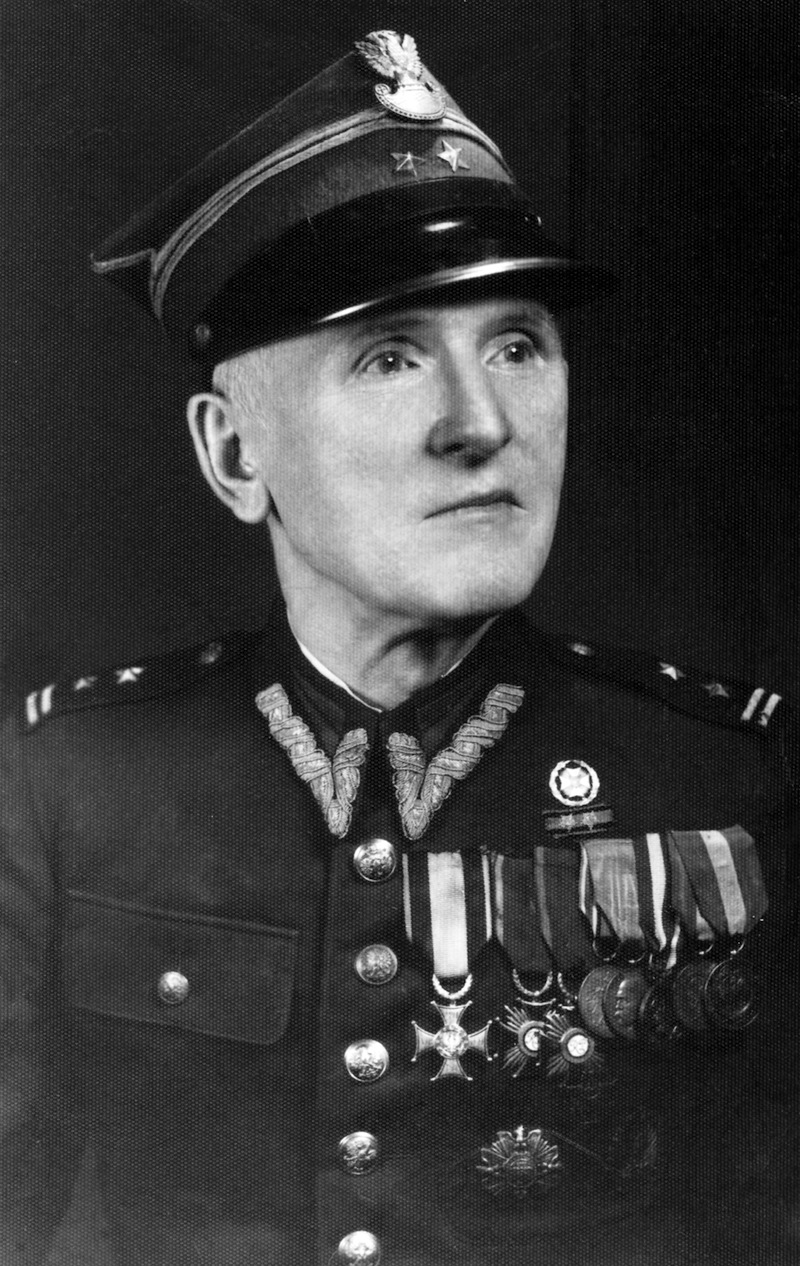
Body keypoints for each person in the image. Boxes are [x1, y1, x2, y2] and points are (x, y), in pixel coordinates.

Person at [0, 28, 797, 1266]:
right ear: (233, 454)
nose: (480, 424)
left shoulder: (730, 769)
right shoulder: (68, 782)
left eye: (517, 346)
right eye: (388, 356)